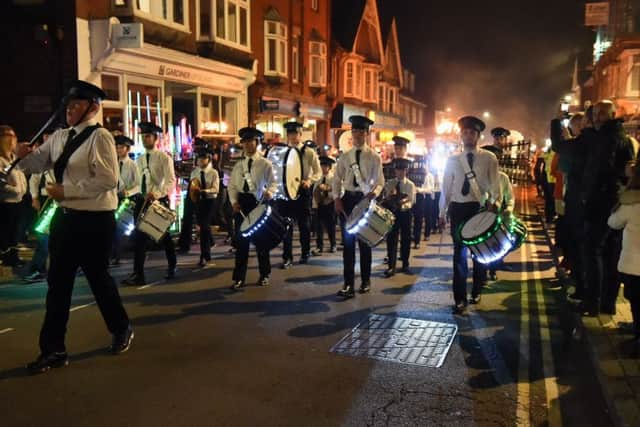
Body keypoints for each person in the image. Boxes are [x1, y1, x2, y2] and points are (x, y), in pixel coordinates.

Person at [15, 80, 132, 374]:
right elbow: (37, 165)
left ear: (92, 108)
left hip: (95, 220)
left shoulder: (100, 137)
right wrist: (23, 155)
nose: (69, 109)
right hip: (65, 218)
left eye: (76, 105)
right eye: (68, 105)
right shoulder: (58, 136)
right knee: (58, 285)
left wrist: (67, 191)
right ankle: (53, 349)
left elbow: (108, 180)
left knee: (98, 279)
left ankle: (121, 328)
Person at [439, 116, 501, 314]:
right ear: (460, 135)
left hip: (478, 208)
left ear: (478, 136)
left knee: (478, 252)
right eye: (465, 132)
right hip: (458, 208)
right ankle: (459, 298)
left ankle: (476, 289)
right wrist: (441, 212)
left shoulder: (489, 158)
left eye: (472, 133)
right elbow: (446, 188)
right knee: (459, 254)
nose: (468, 136)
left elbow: (495, 185)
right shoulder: (452, 160)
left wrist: (496, 202)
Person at [579, 100, 635, 316]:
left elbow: (615, 172)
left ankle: (593, 302)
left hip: (603, 203)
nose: (597, 116)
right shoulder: (610, 137)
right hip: (608, 201)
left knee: (593, 251)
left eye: (602, 113)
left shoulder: (609, 138)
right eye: (595, 113)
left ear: (612, 114)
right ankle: (606, 303)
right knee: (609, 254)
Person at [333, 115, 384, 298]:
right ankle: (348, 283)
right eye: (354, 131)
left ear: (366, 133)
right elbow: (336, 179)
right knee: (348, 245)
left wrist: (374, 193)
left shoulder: (374, 156)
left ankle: (365, 280)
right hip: (347, 200)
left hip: (364, 200)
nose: (357, 135)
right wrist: (337, 199)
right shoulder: (345, 156)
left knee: (364, 243)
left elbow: (380, 181)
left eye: (361, 131)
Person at [121, 121, 177, 286]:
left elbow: (171, 180)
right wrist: (130, 193)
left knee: (163, 236)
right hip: (142, 201)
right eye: (143, 136)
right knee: (139, 238)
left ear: (155, 138)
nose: (145, 139)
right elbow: (138, 183)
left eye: (148, 136)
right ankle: (138, 274)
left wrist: (158, 194)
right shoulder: (138, 160)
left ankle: (172, 266)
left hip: (158, 201)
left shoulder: (163, 157)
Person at [228, 127, 276, 289]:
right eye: (245, 142)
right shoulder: (238, 165)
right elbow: (232, 186)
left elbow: (274, 183)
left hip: (258, 203)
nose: (247, 144)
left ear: (257, 142)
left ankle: (265, 274)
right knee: (241, 243)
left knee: (261, 242)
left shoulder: (265, 163)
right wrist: (234, 201)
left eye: (251, 141)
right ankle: (239, 278)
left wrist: (270, 192)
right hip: (242, 204)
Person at [278, 122, 321, 268]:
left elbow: (318, 171)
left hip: (303, 191)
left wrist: (310, 180)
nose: (292, 136)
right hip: (287, 192)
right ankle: (287, 257)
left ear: (300, 134)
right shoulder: (283, 152)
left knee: (304, 225)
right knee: (286, 225)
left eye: (295, 134)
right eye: (290, 134)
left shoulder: (309, 152)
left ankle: (305, 252)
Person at [607, 164, 640, 339]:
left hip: (635, 265)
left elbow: (614, 222)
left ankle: (637, 338)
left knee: (635, 300)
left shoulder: (631, 202)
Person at [481, 145, 515, 281]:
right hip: (483, 214)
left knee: (496, 243)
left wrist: (509, 209)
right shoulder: (479, 177)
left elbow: (510, 197)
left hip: (498, 215)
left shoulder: (503, 178)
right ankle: (482, 273)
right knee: (483, 244)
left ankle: (493, 269)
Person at [382, 157, 416, 277]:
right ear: (395, 171)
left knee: (406, 239)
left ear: (406, 171)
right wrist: (390, 198)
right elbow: (385, 198)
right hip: (392, 214)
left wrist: (401, 204)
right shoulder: (390, 183)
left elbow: (411, 201)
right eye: (398, 170)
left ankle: (405, 264)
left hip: (405, 214)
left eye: (402, 170)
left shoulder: (410, 185)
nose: (400, 172)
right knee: (391, 240)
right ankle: (391, 266)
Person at [0, 125, 27, 267]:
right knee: (7, 232)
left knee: (15, 232)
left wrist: (22, 189)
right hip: (6, 202)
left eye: (14, 136)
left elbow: (21, 174)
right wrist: (16, 190)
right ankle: (7, 257)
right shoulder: (1, 160)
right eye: (9, 136)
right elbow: (1, 181)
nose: (13, 139)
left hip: (18, 201)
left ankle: (13, 257)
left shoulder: (14, 158)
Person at [111, 134, 140, 266]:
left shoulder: (133, 165)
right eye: (116, 147)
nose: (118, 149)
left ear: (127, 149)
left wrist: (128, 192)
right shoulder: (112, 163)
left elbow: (138, 184)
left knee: (119, 228)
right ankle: (112, 254)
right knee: (111, 227)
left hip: (126, 199)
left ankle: (116, 255)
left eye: (121, 147)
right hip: (112, 198)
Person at [190, 144, 219, 266]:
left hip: (209, 201)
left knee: (204, 227)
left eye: (203, 158)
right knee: (203, 228)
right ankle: (208, 247)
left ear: (209, 159)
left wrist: (204, 191)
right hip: (198, 202)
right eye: (199, 158)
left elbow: (216, 189)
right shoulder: (194, 172)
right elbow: (192, 186)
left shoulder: (213, 173)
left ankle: (204, 254)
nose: (201, 161)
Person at [312, 155, 337, 255]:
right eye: (321, 165)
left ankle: (333, 244)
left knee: (331, 226)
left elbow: (339, 191)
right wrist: (315, 204)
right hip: (320, 205)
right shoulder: (318, 178)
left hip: (330, 205)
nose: (323, 168)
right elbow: (315, 192)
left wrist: (328, 194)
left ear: (329, 167)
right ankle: (319, 246)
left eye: (325, 166)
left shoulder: (333, 178)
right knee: (319, 227)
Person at [414, 166, 434, 248]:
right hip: (418, 198)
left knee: (427, 217)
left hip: (427, 198)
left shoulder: (430, 176)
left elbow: (431, 189)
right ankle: (416, 239)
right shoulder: (416, 175)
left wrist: (420, 190)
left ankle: (427, 234)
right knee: (417, 219)